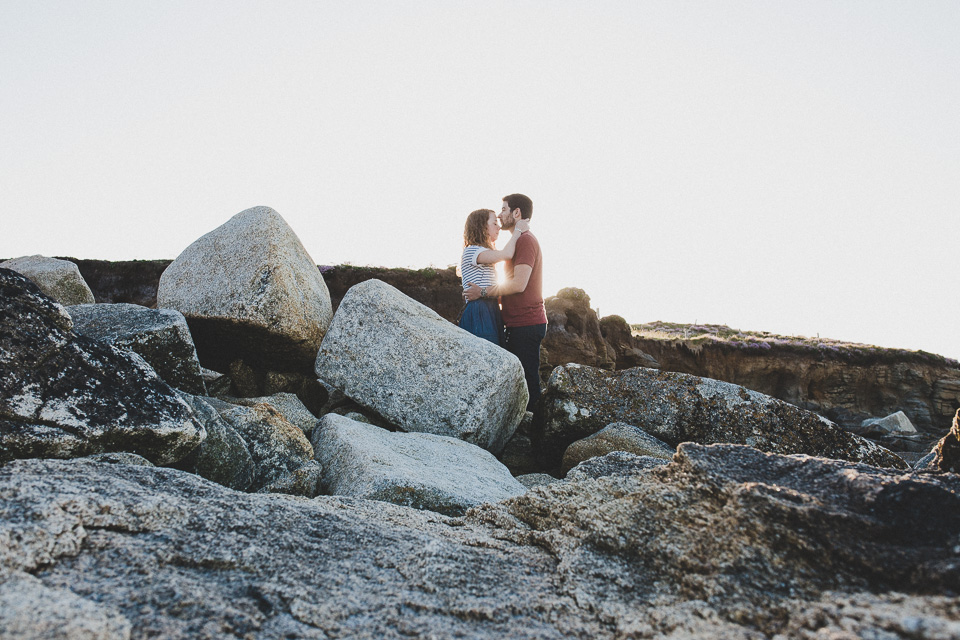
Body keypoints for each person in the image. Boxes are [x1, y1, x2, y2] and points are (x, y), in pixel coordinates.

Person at [464, 194, 545, 412]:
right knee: (517, 381)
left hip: (526, 322)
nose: (500, 216)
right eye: (495, 216)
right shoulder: (517, 241)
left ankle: (534, 437)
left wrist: (482, 291)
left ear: (516, 213)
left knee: (527, 383)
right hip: (514, 321)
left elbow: (518, 284)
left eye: (504, 209)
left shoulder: (525, 240)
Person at [458, 208, 528, 345]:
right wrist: (518, 230)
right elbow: (506, 254)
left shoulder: (482, 251)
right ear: (482, 227)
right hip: (479, 310)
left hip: (490, 308)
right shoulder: (472, 250)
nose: (499, 227)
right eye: (494, 223)